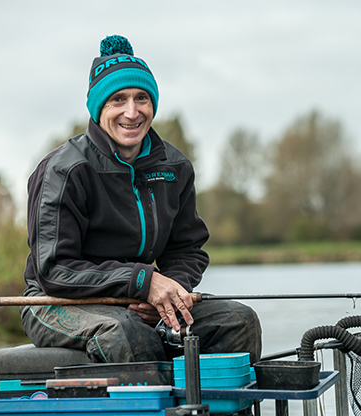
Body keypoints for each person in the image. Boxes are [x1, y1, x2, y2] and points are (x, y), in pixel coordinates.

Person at [19, 35, 262, 364]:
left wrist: (168, 292)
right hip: (56, 303)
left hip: (139, 301)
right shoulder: (63, 171)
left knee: (239, 321)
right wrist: (143, 283)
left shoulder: (175, 168)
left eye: (141, 98)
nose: (132, 112)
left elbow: (186, 249)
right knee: (128, 334)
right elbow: (55, 270)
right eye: (118, 99)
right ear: (99, 107)